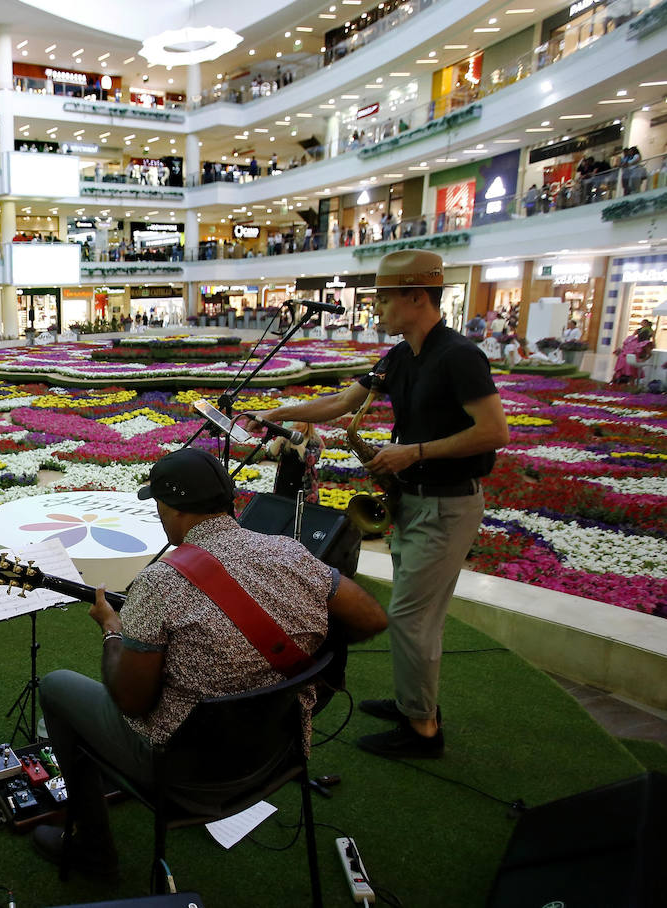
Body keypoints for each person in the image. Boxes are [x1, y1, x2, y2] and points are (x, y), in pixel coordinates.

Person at [34, 448, 387, 876]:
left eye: (160, 505)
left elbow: (131, 700)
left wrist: (112, 630)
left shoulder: (160, 582)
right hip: (279, 749)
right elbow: (372, 618)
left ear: (174, 509)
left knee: (56, 686)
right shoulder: (290, 553)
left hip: (186, 773)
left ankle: (93, 848)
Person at [253, 250, 509, 758]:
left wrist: (411, 452)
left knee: (413, 619)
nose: (378, 307)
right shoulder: (399, 355)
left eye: (386, 298)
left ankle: (423, 732)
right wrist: (278, 409)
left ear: (418, 296)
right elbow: (343, 403)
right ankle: (417, 705)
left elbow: (494, 431)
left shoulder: (458, 356)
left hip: (447, 503)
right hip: (413, 499)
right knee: (418, 617)